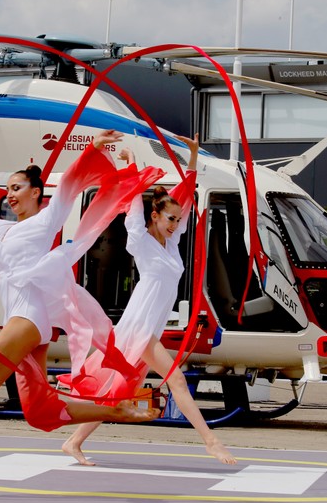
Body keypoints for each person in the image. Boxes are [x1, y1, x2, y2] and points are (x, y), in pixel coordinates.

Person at [0, 130, 162, 497]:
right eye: (7, 188)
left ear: (36, 193)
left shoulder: (45, 221)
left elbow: (71, 184)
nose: (10, 194)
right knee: (39, 412)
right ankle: (118, 410)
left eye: (17, 187)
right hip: (23, 322)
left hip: (29, 318)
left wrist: (91, 149)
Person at [61, 134, 237, 466]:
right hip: (139, 326)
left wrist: (195, 157)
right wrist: (130, 165)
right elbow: (132, 201)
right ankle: (211, 441)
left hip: (150, 325)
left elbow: (185, 197)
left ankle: (73, 441)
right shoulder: (141, 241)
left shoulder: (172, 244)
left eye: (176, 219)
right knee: (177, 380)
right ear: (154, 216)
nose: (175, 223)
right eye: (169, 219)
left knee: (121, 390)